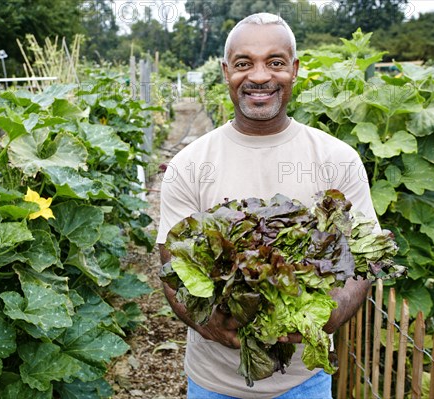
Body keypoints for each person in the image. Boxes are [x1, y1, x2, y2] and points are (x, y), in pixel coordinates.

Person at [157, 13, 378, 399]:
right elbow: (171, 266)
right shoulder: (189, 164)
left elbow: (362, 263)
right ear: (226, 72)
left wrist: (324, 316)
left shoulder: (338, 159)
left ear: (294, 70)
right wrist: (218, 327)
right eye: (244, 64)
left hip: (304, 383)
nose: (259, 76)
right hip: (212, 384)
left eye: (275, 62)